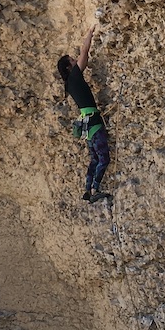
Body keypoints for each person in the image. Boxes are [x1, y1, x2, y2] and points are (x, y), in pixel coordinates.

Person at [58, 26, 111, 202]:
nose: (75, 61)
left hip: (85, 125)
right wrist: (89, 34)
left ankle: (87, 188)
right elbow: (84, 53)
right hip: (93, 122)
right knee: (104, 157)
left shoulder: (68, 84)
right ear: (69, 67)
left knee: (94, 158)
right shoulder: (74, 76)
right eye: (72, 61)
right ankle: (95, 189)